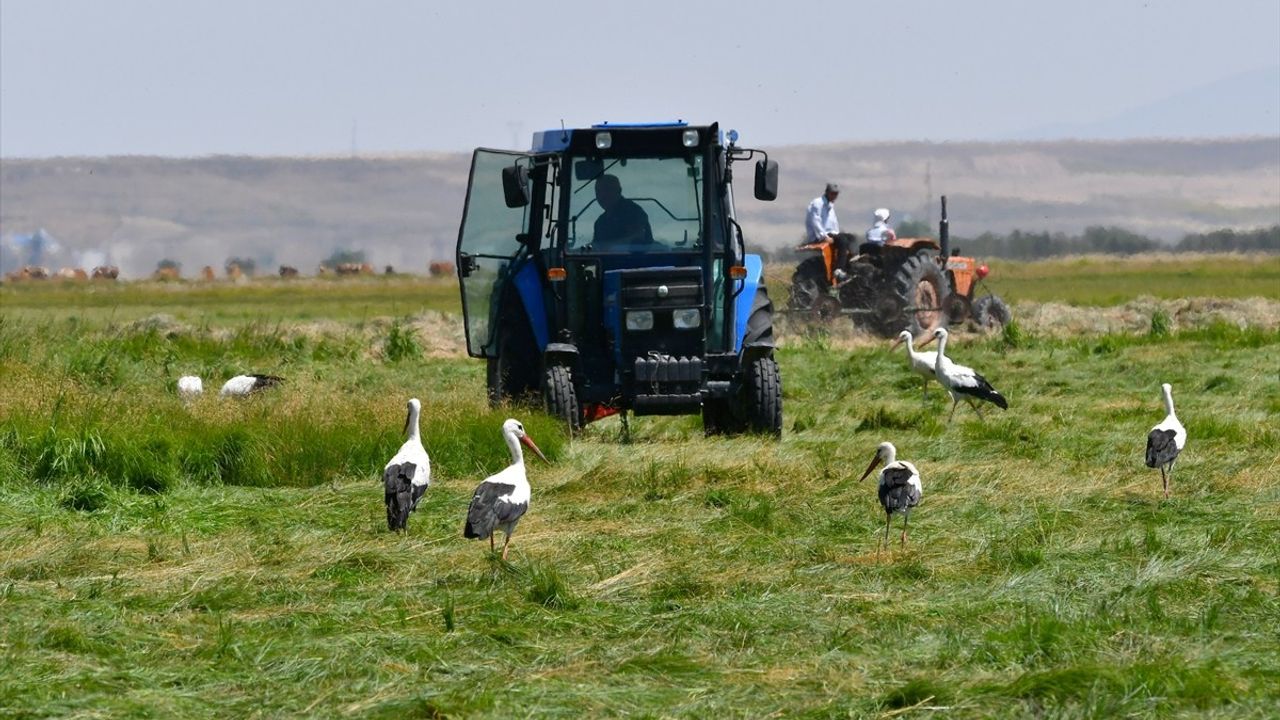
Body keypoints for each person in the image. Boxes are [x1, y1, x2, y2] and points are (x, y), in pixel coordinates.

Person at [806, 182, 854, 279]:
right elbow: (815, 220)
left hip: (831, 233)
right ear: (827, 192)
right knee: (843, 240)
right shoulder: (818, 203)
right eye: (833, 193)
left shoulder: (829, 205)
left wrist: (837, 233)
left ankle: (847, 265)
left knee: (850, 238)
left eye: (836, 194)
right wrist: (824, 237)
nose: (835, 196)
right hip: (820, 234)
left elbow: (833, 222)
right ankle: (839, 269)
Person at [592, 174, 653, 247]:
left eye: (607, 190)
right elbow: (595, 248)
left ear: (619, 191)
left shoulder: (634, 212)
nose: (602, 195)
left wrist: (608, 247)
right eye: (598, 191)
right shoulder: (600, 222)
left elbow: (638, 238)